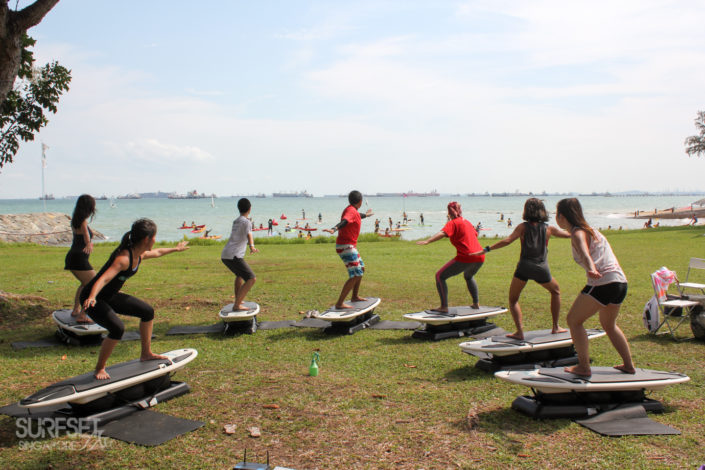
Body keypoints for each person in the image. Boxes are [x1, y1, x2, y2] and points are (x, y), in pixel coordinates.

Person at [81, 218, 189, 379]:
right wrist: (91, 296)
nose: (155, 240)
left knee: (147, 312)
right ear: (147, 239)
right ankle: (99, 368)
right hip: (93, 299)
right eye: (154, 237)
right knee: (117, 328)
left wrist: (176, 249)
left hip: (109, 296)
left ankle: (146, 353)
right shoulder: (124, 258)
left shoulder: (139, 254)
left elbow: (158, 252)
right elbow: (102, 279)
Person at [555, 198, 634, 377]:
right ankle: (629, 365)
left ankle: (583, 367)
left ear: (562, 216)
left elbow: (584, 251)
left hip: (603, 283)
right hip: (620, 283)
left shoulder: (577, 233)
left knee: (573, 321)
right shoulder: (593, 230)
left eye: (556, 214)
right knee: (609, 324)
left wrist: (591, 268)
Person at [479, 198, 570, 339]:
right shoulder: (549, 228)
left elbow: (507, 240)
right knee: (555, 291)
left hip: (524, 267)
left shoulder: (523, 227)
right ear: (542, 211)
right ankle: (556, 326)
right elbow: (569, 234)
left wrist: (487, 249)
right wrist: (582, 227)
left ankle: (520, 332)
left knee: (513, 299)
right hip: (542, 268)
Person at [416, 202, 485, 312]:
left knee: (440, 276)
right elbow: (475, 234)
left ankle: (444, 307)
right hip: (480, 256)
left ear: (449, 212)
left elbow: (443, 233)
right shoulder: (467, 222)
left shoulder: (452, 223)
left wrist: (428, 241)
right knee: (468, 276)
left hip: (466, 256)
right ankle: (476, 303)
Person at [323, 190, 373, 309]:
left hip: (348, 246)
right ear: (360, 202)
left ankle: (354, 296)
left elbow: (356, 216)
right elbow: (344, 222)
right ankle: (339, 303)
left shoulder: (351, 210)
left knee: (361, 268)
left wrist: (366, 215)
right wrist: (334, 229)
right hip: (346, 246)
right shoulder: (351, 211)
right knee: (356, 273)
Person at [222, 198, 259, 312]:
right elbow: (249, 234)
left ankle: (238, 299)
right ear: (250, 208)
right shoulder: (247, 221)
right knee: (251, 278)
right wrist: (252, 246)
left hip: (226, 254)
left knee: (239, 275)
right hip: (234, 255)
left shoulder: (236, 221)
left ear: (239, 209)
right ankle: (237, 305)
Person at [65, 194, 97, 323]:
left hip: (74, 257)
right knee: (93, 284)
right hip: (78, 258)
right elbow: (85, 235)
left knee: (85, 284)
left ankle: (76, 310)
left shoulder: (75, 220)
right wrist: (89, 243)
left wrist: (89, 241)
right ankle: (83, 315)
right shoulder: (83, 221)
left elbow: (84, 234)